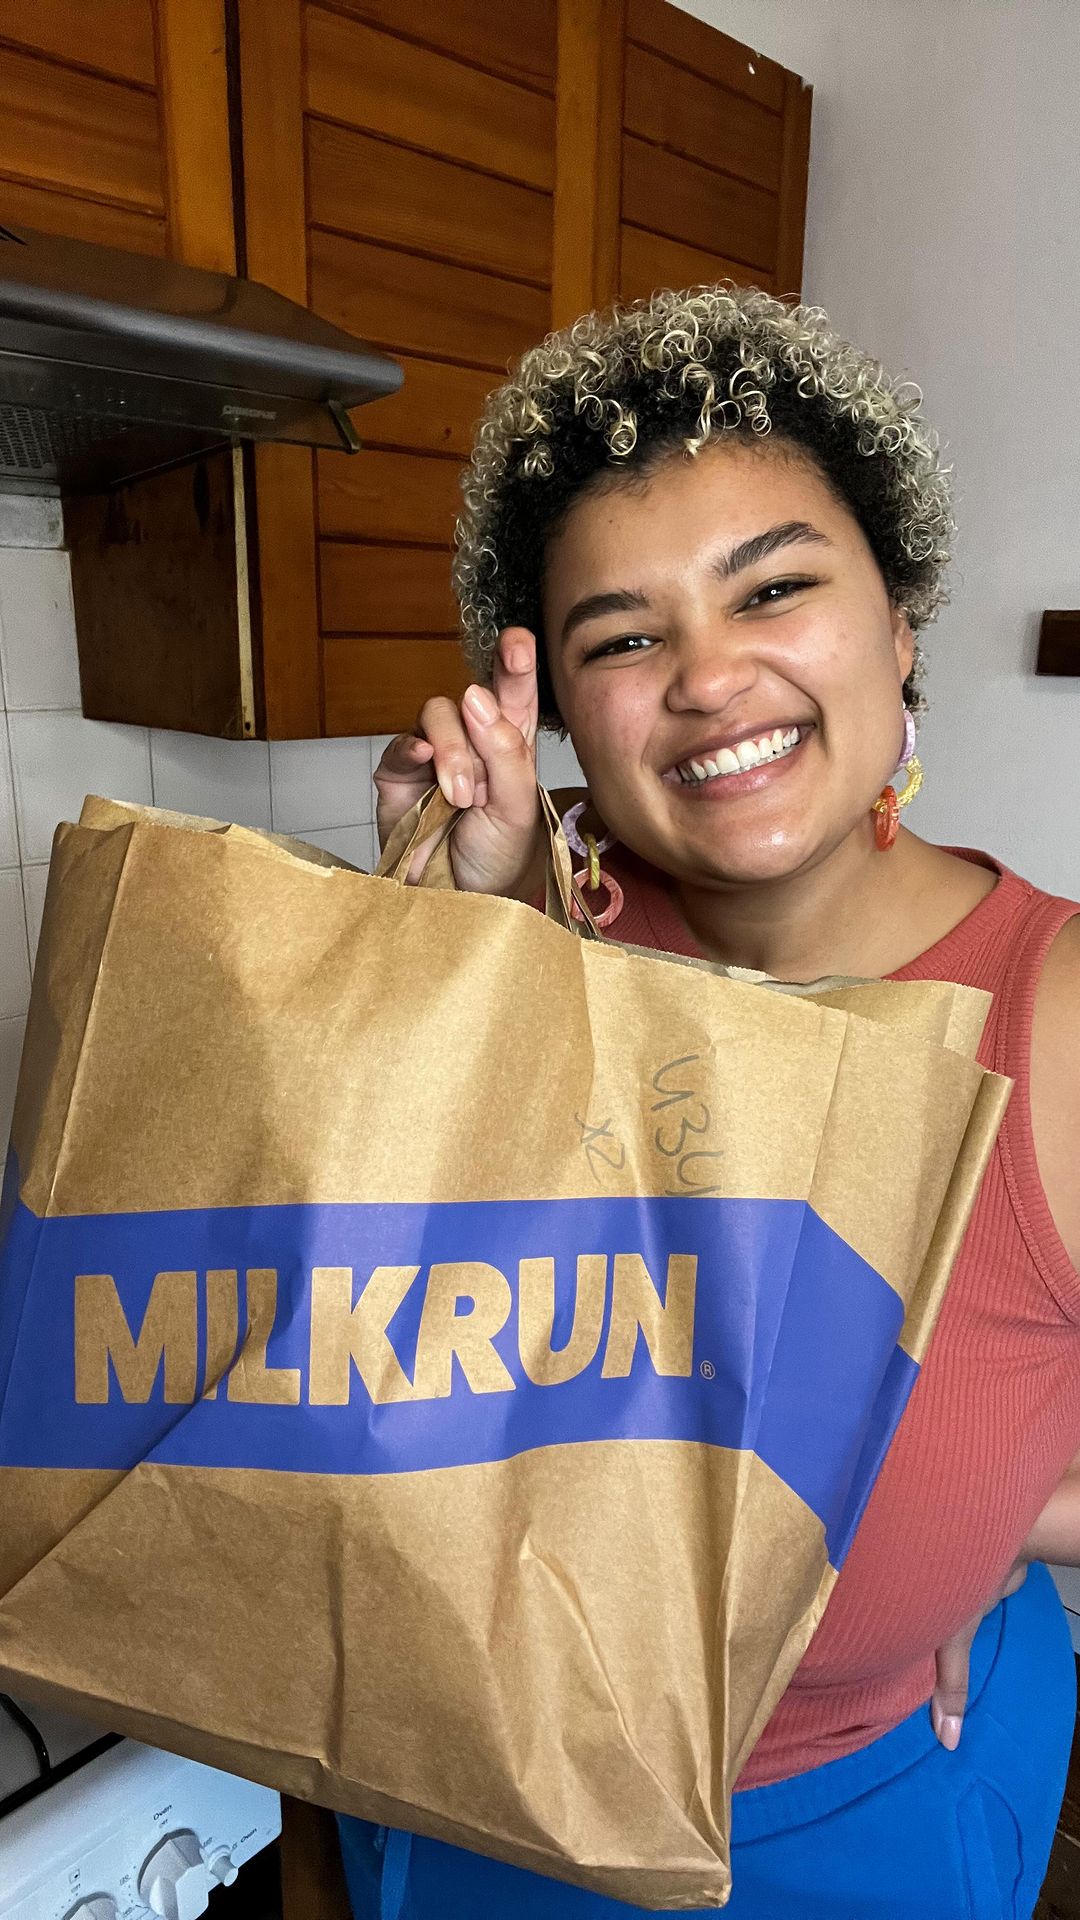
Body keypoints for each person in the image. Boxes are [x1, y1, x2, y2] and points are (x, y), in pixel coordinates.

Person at [338, 285, 1080, 1918]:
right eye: (623, 636)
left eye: (775, 589)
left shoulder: (1060, 1018)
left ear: (902, 625)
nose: (707, 678)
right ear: (562, 709)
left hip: (840, 1818)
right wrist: (455, 941)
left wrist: (982, 1526)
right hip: (449, 1766)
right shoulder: (548, 927)